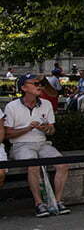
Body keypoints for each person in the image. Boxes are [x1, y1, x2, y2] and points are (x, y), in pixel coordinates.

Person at [4, 74, 71, 217]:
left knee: (62, 164)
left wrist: (46, 128)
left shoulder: (46, 104)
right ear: (23, 88)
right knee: (33, 165)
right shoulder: (12, 106)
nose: (39, 86)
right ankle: (39, 203)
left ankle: (57, 201)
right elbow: (8, 134)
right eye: (35, 83)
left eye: (40, 83)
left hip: (42, 143)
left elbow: (52, 130)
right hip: (21, 145)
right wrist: (27, 128)